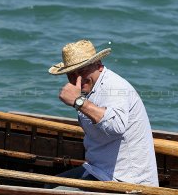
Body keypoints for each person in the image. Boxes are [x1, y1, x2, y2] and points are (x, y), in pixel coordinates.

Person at [48, 39, 159, 187]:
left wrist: (79, 102)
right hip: (97, 171)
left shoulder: (116, 88)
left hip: (127, 180)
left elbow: (115, 127)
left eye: (82, 70)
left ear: (99, 65)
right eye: (71, 74)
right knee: (48, 185)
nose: (77, 79)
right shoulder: (90, 87)